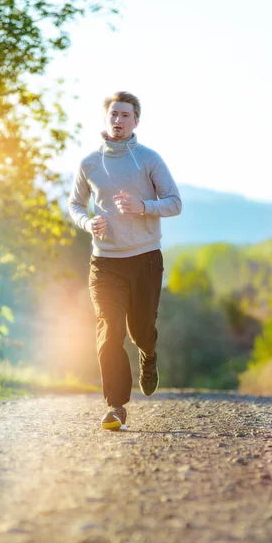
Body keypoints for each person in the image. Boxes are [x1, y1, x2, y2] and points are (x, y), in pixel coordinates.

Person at [68, 91, 182, 431]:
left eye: (125, 115)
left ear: (136, 121)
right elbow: (75, 204)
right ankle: (116, 406)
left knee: (140, 332)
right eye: (113, 114)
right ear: (106, 119)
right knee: (109, 332)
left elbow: (175, 202)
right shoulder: (89, 162)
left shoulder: (148, 159)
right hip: (105, 263)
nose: (118, 120)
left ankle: (148, 356)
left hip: (145, 259)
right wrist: (88, 222)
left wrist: (142, 207)